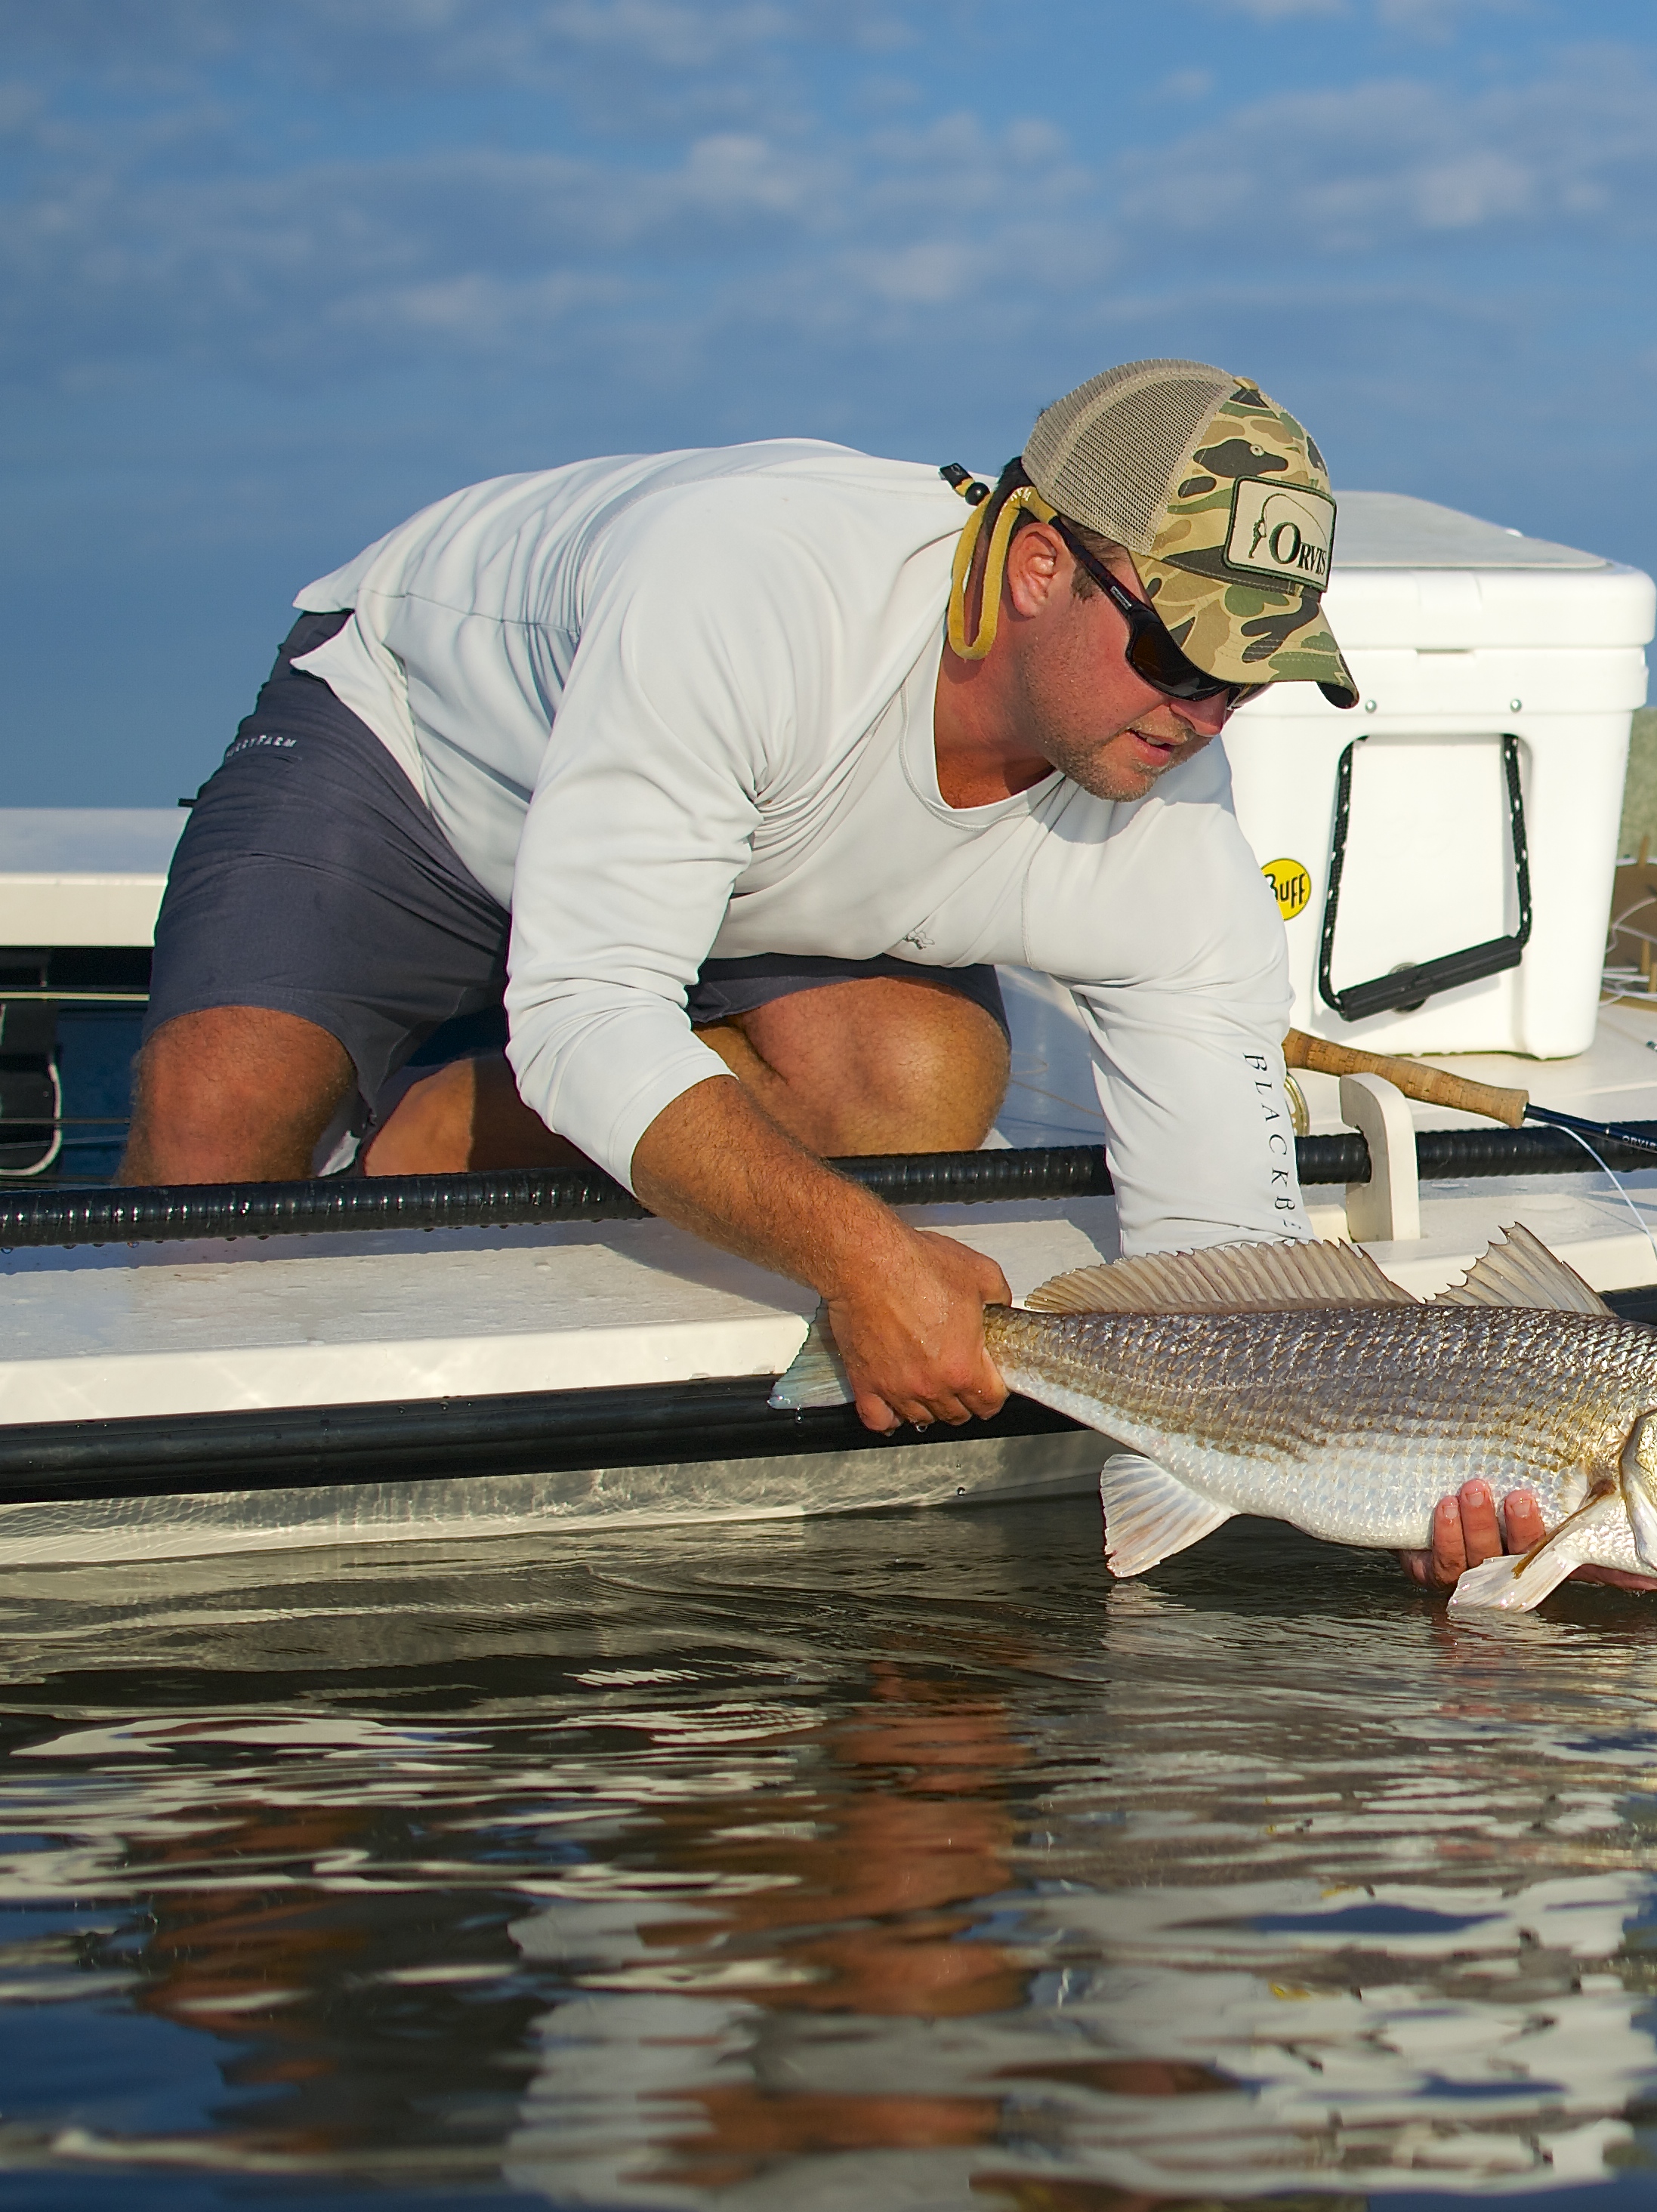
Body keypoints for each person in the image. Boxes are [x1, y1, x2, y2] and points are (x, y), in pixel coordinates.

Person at [122, 355, 1574, 1590]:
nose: (1202, 714)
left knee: (919, 1079)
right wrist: (859, 1258)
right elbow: (584, 1013)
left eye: (1245, 678)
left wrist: (1399, 1474)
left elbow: (1228, 1267)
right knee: (212, 1144)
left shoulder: (1169, 846)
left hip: (744, 862)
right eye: (1175, 652)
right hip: (427, 766)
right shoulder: (753, 592)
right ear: (1037, 564)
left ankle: (433, 1129)